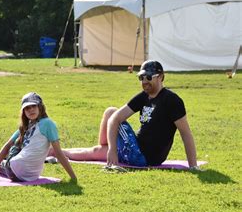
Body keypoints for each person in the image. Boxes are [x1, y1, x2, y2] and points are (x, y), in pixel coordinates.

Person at [61, 60, 199, 169]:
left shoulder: (171, 100)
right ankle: (56, 152)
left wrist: (193, 166)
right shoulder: (144, 96)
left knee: (111, 115)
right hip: (136, 149)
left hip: (142, 156)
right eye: (141, 77)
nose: (144, 81)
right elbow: (116, 118)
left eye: (149, 77)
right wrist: (112, 150)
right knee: (103, 131)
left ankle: (107, 148)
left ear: (161, 77)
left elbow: (186, 133)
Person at [0, 92, 77, 182]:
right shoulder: (44, 124)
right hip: (30, 175)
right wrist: (73, 178)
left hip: (15, 171)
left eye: (33, 106)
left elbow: (7, 146)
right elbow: (58, 152)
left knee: (11, 153)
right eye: (27, 108)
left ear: (40, 107)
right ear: (24, 112)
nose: (30, 110)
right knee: (14, 152)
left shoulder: (41, 124)